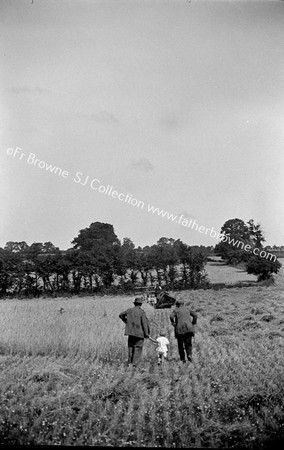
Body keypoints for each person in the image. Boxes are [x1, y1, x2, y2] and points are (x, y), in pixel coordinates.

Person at [119, 297, 150, 367]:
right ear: (141, 304)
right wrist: (146, 334)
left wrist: (127, 322)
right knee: (138, 347)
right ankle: (134, 363)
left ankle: (129, 362)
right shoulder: (141, 312)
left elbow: (121, 315)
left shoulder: (129, 310)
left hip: (130, 332)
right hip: (139, 333)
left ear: (134, 303)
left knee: (131, 347)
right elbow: (144, 324)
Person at [170, 299, 197, 363]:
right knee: (188, 343)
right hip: (189, 328)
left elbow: (171, 316)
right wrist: (193, 323)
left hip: (179, 329)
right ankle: (189, 355)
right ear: (183, 304)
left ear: (177, 305)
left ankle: (183, 359)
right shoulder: (188, 309)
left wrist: (173, 323)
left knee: (180, 344)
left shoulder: (176, 310)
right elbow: (195, 315)